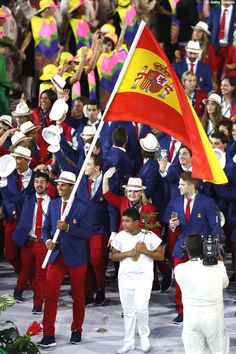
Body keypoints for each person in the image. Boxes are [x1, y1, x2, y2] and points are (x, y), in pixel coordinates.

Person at [37, 171, 92, 347]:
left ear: (72, 187)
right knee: (50, 295)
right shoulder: (53, 205)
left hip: (76, 258)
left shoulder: (84, 206)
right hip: (56, 257)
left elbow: (87, 233)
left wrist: (68, 228)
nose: (59, 187)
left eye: (63, 184)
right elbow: (45, 228)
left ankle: (77, 330)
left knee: (78, 295)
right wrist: (47, 241)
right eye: (58, 184)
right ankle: (48, 334)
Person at [164, 171, 221, 323]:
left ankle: (201, 310)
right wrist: (172, 226)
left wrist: (215, 247)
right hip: (181, 246)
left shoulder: (207, 202)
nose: (179, 187)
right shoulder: (175, 201)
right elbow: (170, 224)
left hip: (201, 248)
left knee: (201, 281)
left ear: (191, 185)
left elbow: (215, 227)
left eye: (182, 184)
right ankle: (181, 310)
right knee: (180, 279)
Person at [111, 207, 164, 354]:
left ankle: (144, 337)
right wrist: (128, 253)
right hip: (125, 278)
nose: (124, 224)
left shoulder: (149, 235)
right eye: (123, 221)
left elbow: (160, 256)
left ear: (136, 222)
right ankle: (128, 343)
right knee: (128, 312)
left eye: (127, 221)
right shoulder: (120, 236)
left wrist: (145, 251)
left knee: (141, 309)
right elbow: (113, 256)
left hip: (143, 278)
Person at [175, 233, 229, 354]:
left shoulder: (179, 269)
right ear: (205, 248)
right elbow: (225, 284)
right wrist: (220, 262)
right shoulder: (218, 266)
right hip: (214, 318)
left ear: (186, 249)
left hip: (191, 319)